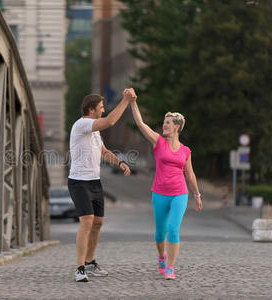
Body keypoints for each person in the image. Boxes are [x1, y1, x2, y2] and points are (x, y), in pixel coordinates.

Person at [128, 88, 203, 280]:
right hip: (160, 193)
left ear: (177, 126)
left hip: (180, 193)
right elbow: (140, 123)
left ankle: (170, 267)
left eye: (168, 123)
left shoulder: (186, 150)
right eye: (164, 122)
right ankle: (161, 257)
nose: (164, 125)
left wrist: (197, 195)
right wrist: (133, 102)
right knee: (160, 232)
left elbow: (190, 174)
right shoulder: (157, 141)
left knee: (172, 229)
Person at [68, 90, 134, 282]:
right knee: (87, 220)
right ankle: (79, 269)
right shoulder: (82, 124)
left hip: (95, 181)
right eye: (101, 107)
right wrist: (126, 100)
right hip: (79, 181)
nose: (104, 110)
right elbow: (110, 122)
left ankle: (90, 262)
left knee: (98, 223)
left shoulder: (94, 131)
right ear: (91, 109)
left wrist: (120, 163)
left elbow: (104, 152)